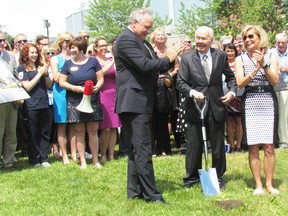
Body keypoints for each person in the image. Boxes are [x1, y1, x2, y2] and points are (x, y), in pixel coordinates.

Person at [114, 8, 185, 204]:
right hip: (134, 102)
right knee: (144, 148)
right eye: (146, 27)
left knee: (137, 149)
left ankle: (134, 191)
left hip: (142, 101)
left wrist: (167, 62)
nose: (148, 31)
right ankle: (152, 195)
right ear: (135, 22)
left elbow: (156, 65)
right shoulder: (126, 40)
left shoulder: (142, 41)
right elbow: (146, 66)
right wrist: (168, 57)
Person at [177, 26, 237, 189]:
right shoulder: (187, 58)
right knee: (194, 145)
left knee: (217, 145)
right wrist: (192, 92)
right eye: (197, 38)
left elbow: (231, 77)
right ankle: (192, 178)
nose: (200, 41)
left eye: (203, 38)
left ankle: (217, 177)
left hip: (217, 105)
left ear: (211, 40)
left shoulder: (221, 56)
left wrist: (232, 92)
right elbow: (180, 82)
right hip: (196, 106)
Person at [235, 25, 279, 195]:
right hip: (251, 100)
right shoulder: (241, 58)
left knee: (269, 145)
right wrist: (255, 70)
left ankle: (269, 184)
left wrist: (264, 65)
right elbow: (240, 83)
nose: (247, 40)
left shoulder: (271, 55)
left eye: (251, 36)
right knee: (253, 146)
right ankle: (258, 185)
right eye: (245, 37)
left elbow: (274, 81)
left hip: (268, 100)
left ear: (260, 38)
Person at [59, 36, 104, 169]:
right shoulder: (68, 64)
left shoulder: (93, 62)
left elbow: (100, 78)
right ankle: (83, 161)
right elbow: (61, 81)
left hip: (92, 99)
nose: (70, 49)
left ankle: (96, 160)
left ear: (80, 48)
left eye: (73, 47)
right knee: (79, 132)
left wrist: (97, 87)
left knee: (93, 131)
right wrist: (74, 88)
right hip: (74, 100)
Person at [18, 43, 52, 167]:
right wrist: (38, 74)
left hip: (44, 103)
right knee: (33, 132)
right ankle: (34, 159)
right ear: (26, 54)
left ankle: (44, 158)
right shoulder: (22, 68)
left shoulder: (41, 66)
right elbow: (27, 86)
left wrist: (46, 73)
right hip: (31, 105)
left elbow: (49, 85)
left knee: (44, 132)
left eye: (36, 52)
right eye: (31, 52)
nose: (34, 55)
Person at [50, 32, 75, 164]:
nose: (68, 44)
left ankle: (74, 153)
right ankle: (64, 155)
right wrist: (66, 67)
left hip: (74, 93)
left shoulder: (75, 57)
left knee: (74, 125)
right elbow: (55, 77)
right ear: (60, 42)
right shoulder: (55, 59)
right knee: (62, 125)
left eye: (70, 41)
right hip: (60, 94)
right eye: (66, 41)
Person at [95, 36, 121, 163]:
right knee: (105, 127)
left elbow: (117, 75)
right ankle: (103, 154)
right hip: (102, 94)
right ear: (96, 48)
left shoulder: (111, 59)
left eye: (105, 45)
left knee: (113, 126)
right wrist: (112, 61)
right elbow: (100, 74)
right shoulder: (94, 61)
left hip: (114, 94)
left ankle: (111, 154)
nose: (104, 48)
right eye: (101, 46)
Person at [150, 27, 173, 156]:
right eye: (158, 35)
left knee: (163, 120)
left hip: (164, 89)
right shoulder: (150, 50)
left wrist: (167, 77)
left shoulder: (169, 51)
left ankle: (164, 149)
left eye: (162, 35)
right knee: (152, 120)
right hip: (151, 88)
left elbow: (174, 70)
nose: (160, 37)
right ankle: (153, 150)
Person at [0, 32, 18, 169]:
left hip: (11, 99)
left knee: (11, 131)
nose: (3, 43)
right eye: (0, 40)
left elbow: (16, 77)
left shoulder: (10, 56)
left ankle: (9, 161)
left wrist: (18, 90)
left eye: (3, 40)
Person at [223, 43, 243, 152]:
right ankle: (231, 144)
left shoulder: (239, 63)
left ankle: (239, 145)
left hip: (239, 94)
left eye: (232, 51)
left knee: (238, 120)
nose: (230, 53)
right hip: (226, 95)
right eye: (227, 51)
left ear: (235, 51)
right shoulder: (222, 63)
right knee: (229, 120)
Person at [273, 33, 288, 149]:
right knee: (279, 116)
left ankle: (284, 141)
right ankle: (282, 141)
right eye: (278, 42)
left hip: (286, 87)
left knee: (284, 116)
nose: (281, 45)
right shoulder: (272, 54)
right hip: (276, 88)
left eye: (283, 42)